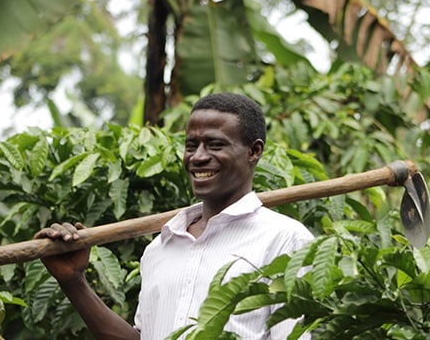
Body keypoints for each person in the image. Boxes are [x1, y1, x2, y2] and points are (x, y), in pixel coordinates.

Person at [35, 92, 315, 339]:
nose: (198, 157)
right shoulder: (160, 247)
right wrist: (73, 281)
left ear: (254, 151)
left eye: (215, 145)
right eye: (191, 145)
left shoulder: (285, 239)